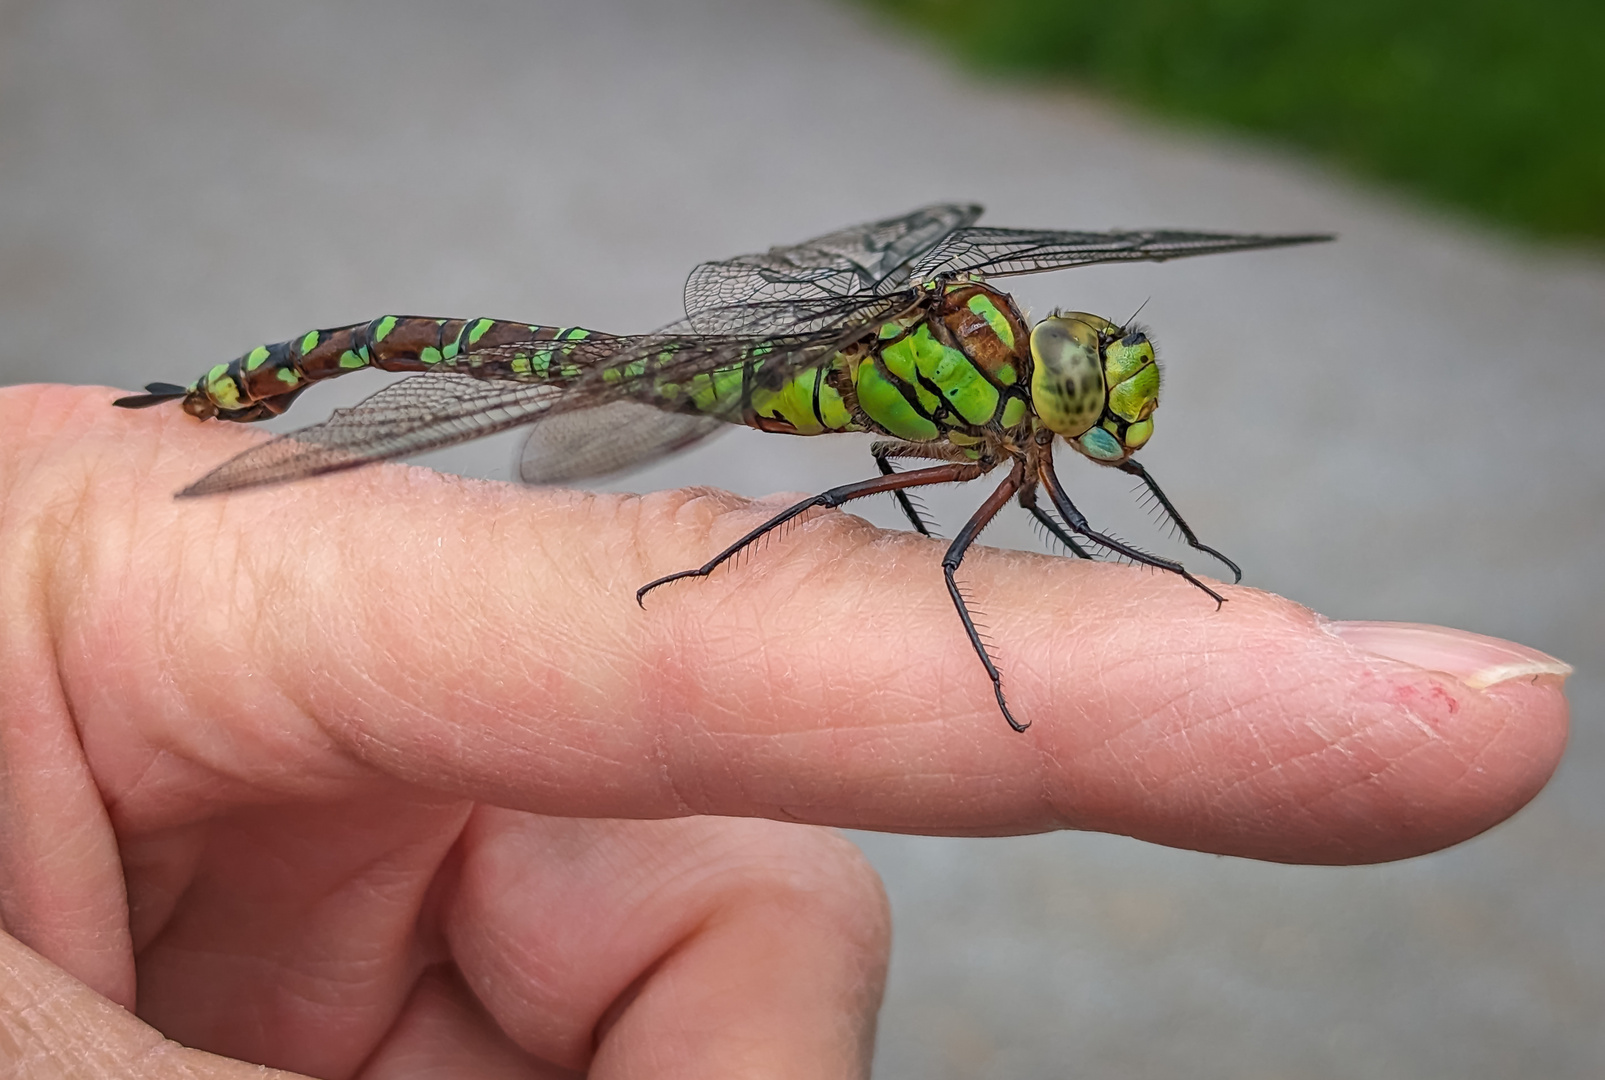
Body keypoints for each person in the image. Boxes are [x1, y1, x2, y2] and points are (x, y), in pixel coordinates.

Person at [0, 384, 1570, 1078]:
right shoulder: (964, 403)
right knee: (880, 536)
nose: (1095, 407)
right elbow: (937, 535)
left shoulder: (1022, 419)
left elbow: (1084, 501)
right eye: (1087, 383)